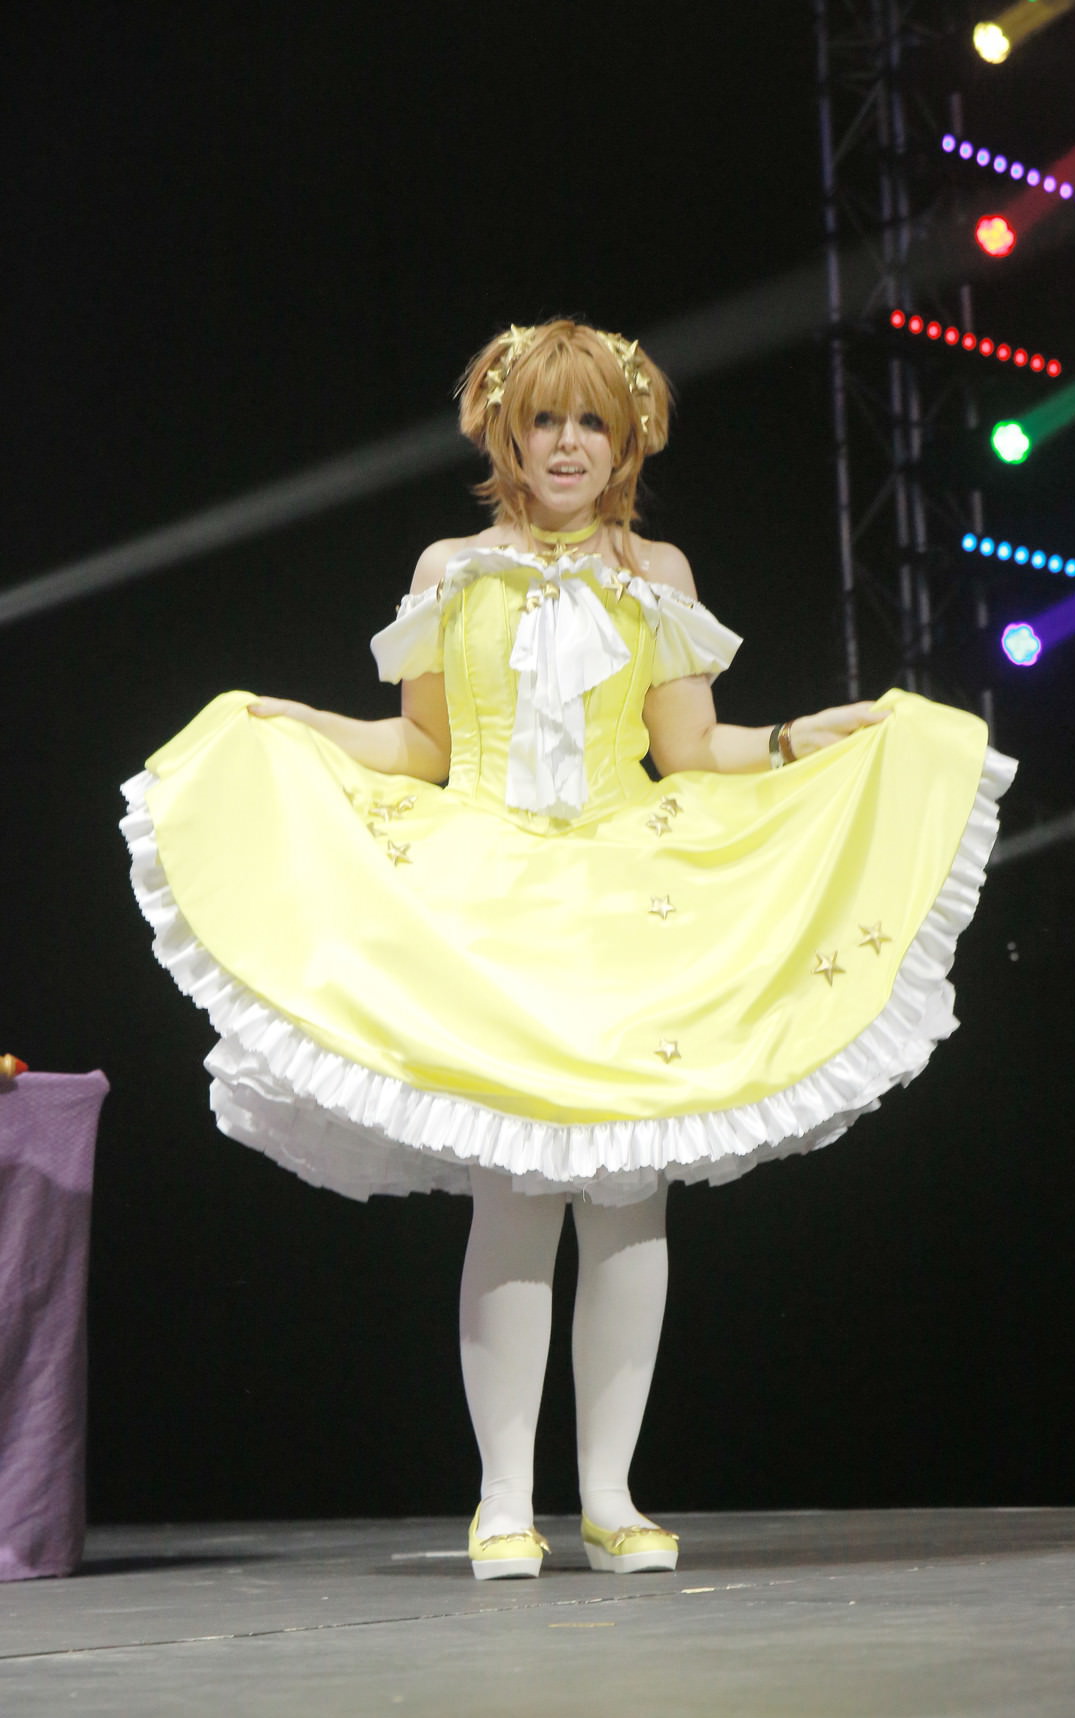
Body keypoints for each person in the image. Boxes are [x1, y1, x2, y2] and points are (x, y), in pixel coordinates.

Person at [121, 319, 1015, 1580]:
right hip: (489, 892)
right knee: (518, 1190)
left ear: (627, 438)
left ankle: (609, 1495)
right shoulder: (452, 570)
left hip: (623, 891)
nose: (567, 444)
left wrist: (793, 739)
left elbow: (690, 748)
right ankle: (502, 1501)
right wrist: (306, 724)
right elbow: (421, 747)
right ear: (505, 431)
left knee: (628, 1193)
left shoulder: (657, 573)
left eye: (591, 422)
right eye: (545, 420)